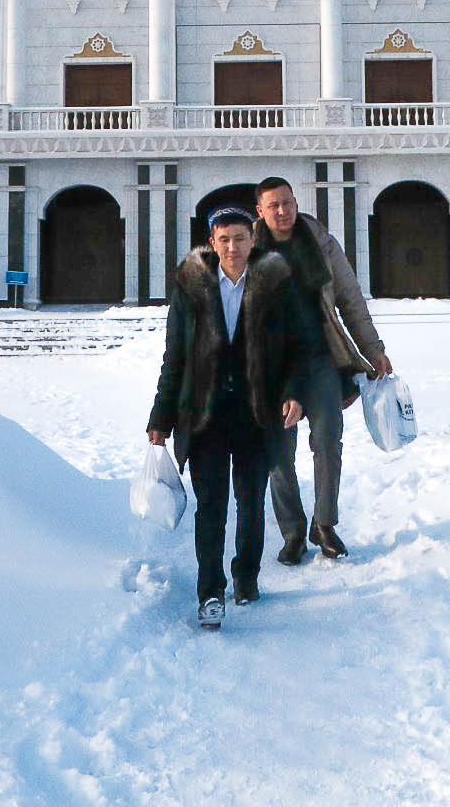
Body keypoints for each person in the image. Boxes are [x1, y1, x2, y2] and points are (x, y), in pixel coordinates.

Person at [146, 206, 315, 631]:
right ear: (212, 242)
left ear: (252, 239)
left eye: (240, 238)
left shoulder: (276, 284)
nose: (232, 247)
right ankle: (210, 591)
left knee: (251, 500)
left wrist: (295, 393)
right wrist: (160, 417)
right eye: (224, 239)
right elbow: (175, 356)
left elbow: (298, 348)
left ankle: (246, 576)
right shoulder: (190, 288)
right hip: (204, 415)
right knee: (211, 505)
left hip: (257, 413)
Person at [252, 176, 393, 564]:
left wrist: (373, 349)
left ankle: (324, 524)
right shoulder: (250, 250)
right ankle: (293, 531)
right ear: (260, 212)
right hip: (274, 367)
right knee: (279, 452)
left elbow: (349, 296)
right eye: (273, 206)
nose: (283, 211)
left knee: (329, 441)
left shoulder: (319, 241)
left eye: (287, 202)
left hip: (322, 358)